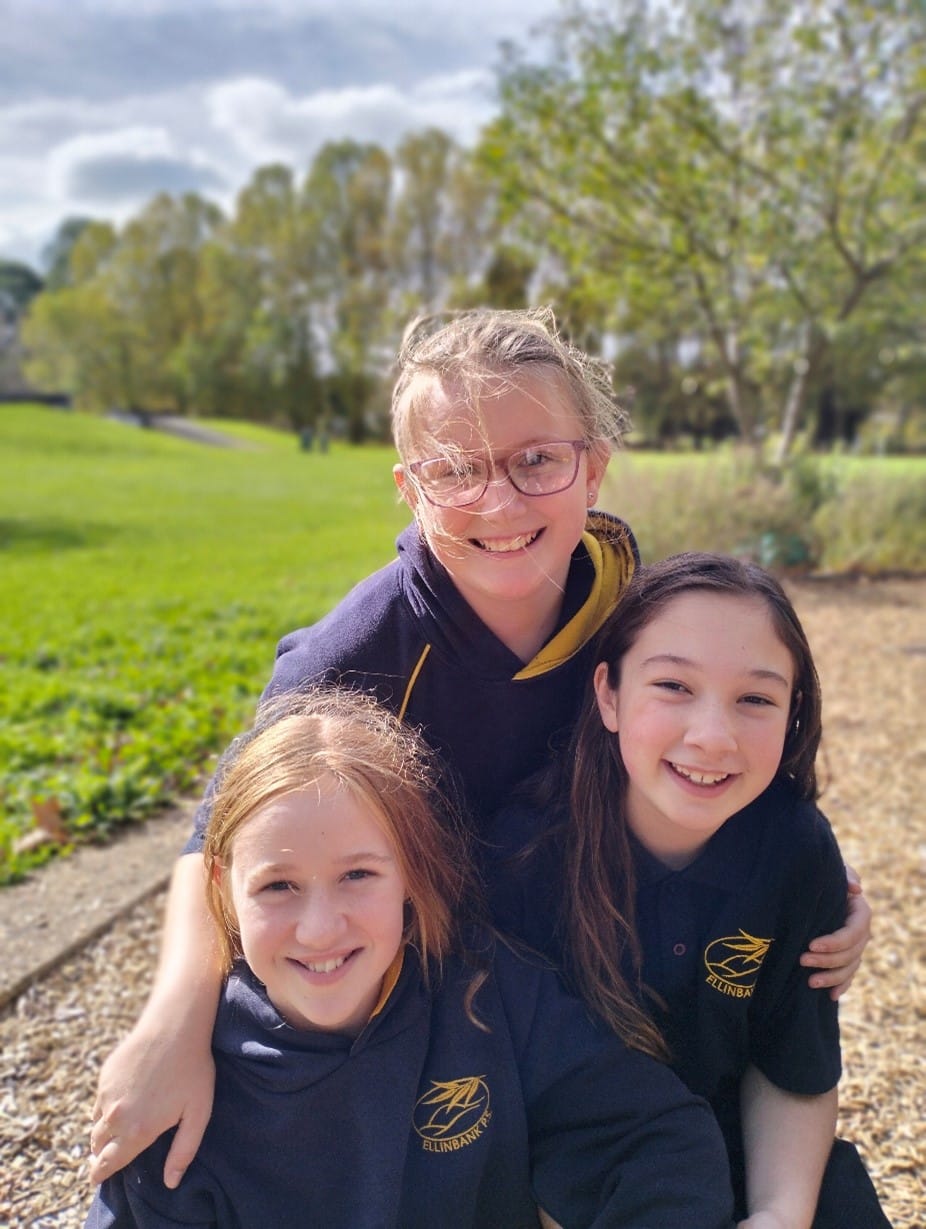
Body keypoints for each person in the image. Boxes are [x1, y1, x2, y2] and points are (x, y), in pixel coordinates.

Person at [90, 309, 870, 1187]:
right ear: (408, 487)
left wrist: (802, 896)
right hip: (431, 974)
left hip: (583, 949)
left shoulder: (625, 601)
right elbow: (226, 832)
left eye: (536, 459)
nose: (499, 502)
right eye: (454, 469)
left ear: (594, 466)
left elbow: (715, 723)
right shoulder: (351, 657)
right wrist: (172, 1020)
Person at [85, 688, 737, 1229]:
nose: (318, 928)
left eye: (359, 875)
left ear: (412, 873)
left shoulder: (490, 996)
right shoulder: (179, 1095)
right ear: (222, 883)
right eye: (278, 885)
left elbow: (658, 1138)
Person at [488, 553, 891, 1228]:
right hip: (582, 1177)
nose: (712, 736)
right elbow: (508, 1108)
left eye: (755, 699)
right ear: (609, 695)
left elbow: (792, 1062)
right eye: (674, 685)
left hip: (742, 1151)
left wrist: (776, 1215)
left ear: (795, 712)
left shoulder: (795, 852)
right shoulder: (523, 856)